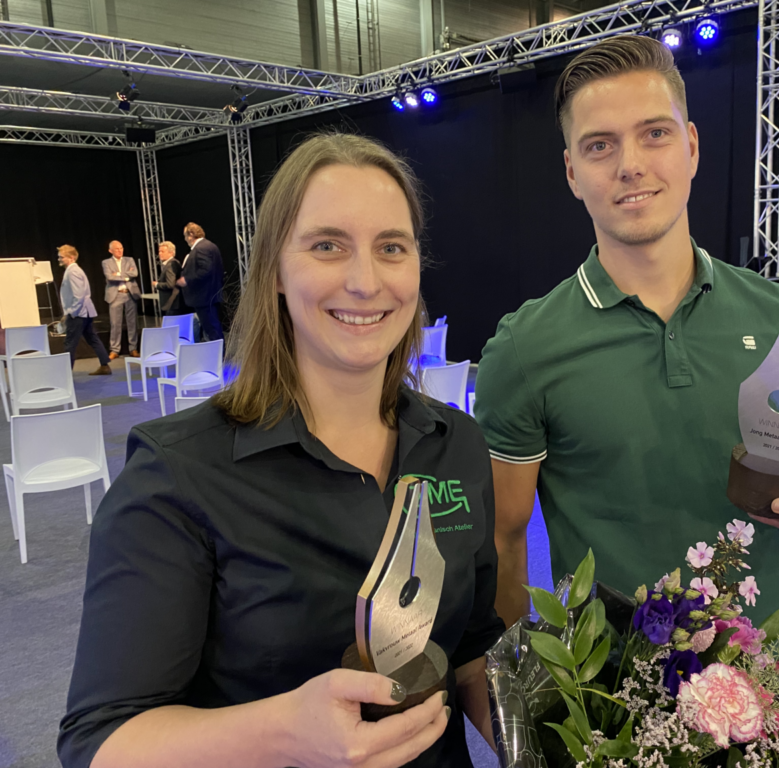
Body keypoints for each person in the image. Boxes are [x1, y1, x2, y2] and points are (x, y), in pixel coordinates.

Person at [59, 133, 505, 768]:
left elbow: (469, 644)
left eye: (391, 248)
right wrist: (283, 734)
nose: (364, 280)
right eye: (327, 246)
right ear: (273, 269)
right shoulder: (177, 472)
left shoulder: (456, 444)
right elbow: (98, 743)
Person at [474, 36, 779, 629]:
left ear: (690, 146)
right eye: (600, 145)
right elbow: (503, 545)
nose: (630, 163)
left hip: (772, 699)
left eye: (655, 133)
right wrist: (525, 705)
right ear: (572, 173)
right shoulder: (525, 349)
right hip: (609, 708)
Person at [57, 245, 111, 375]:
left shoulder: (73, 271)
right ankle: (105, 365)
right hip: (84, 312)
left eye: (61, 257)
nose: (59, 259)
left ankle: (65, 373)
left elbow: (78, 295)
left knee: (70, 342)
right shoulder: (74, 270)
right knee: (92, 337)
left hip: (79, 313)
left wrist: (71, 312)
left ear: (71, 258)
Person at [177, 222, 225, 341]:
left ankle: (218, 356)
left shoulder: (201, 248)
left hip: (204, 297)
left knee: (212, 329)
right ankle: (217, 355)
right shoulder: (210, 246)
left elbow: (206, 270)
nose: (185, 239)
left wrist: (186, 280)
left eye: (185, 235)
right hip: (209, 296)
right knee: (212, 329)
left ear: (191, 235)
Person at [101, 240, 141, 359]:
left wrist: (117, 274)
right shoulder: (106, 262)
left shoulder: (130, 260)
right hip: (115, 295)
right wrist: (126, 276)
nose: (120, 251)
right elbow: (109, 276)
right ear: (110, 251)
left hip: (130, 294)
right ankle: (114, 349)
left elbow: (135, 273)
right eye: (117, 249)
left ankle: (133, 348)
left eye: (121, 248)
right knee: (115, 323)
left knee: (132, 323)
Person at [152, 240, 186, 315]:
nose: (159, 254)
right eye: (159, 251)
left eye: (162, 251)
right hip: (174, 303)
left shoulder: (170, 265)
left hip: (172, 302)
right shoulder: (173, 263)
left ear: (171, 253)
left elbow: (170, 284)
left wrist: (156, 284)